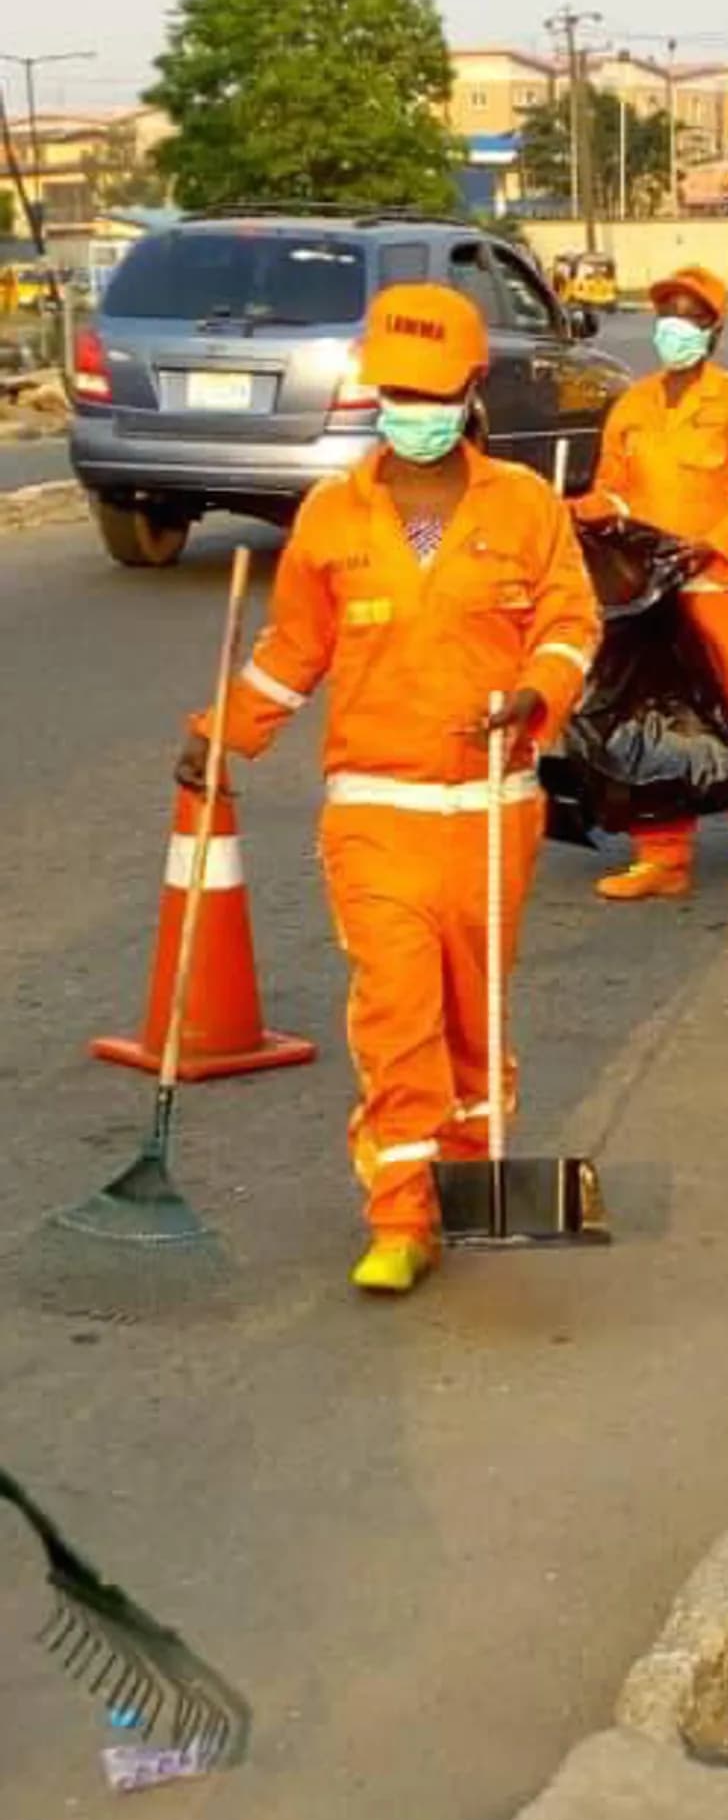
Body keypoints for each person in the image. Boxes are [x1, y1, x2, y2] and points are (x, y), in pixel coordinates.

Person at [173, 283, 600, 1295]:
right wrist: (223, 735)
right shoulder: (333, 515)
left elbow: (572, 625)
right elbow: (292, 652)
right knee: (396, 1004)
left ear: (469, 389)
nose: (406, 409)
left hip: (495, 810)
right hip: (375, 808)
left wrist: (535, 694)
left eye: (425, 391)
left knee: (471, 1015)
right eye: (391, 392)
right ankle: (399, 1213)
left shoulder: (526, 505)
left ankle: (468, 1180)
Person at [575, 264, 728, 899]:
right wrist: (578, 513)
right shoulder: (633, 405)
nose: (677, 330)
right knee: (650, 716)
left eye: (691, 320)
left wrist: (712, 547)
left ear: (714, 332)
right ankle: (662, 854)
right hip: (647, 593)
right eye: (667, 317)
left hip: (719, 585)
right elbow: (612, 489)